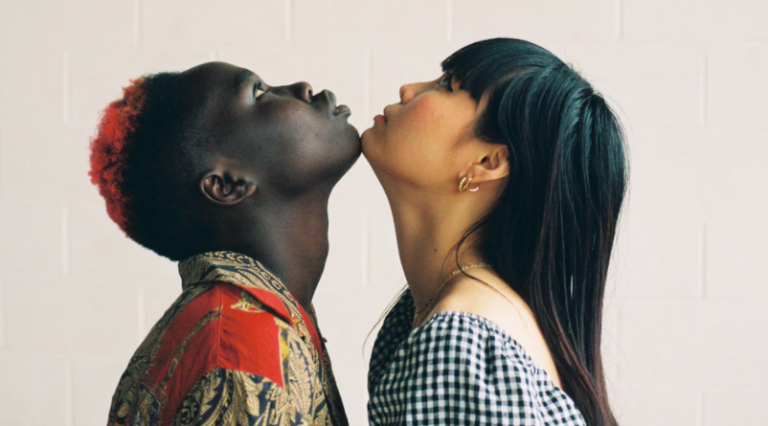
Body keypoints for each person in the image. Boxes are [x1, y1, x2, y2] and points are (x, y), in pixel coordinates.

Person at [363, 38, 627, 426]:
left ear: (488, 161)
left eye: (446, 85)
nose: (409, 90)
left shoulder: (459, 342)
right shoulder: (442, 316)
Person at [89, 61, 359, 426]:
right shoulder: (240, 355)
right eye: (259, 93)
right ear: (228, 184)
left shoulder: (258, 320)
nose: (302, 86)